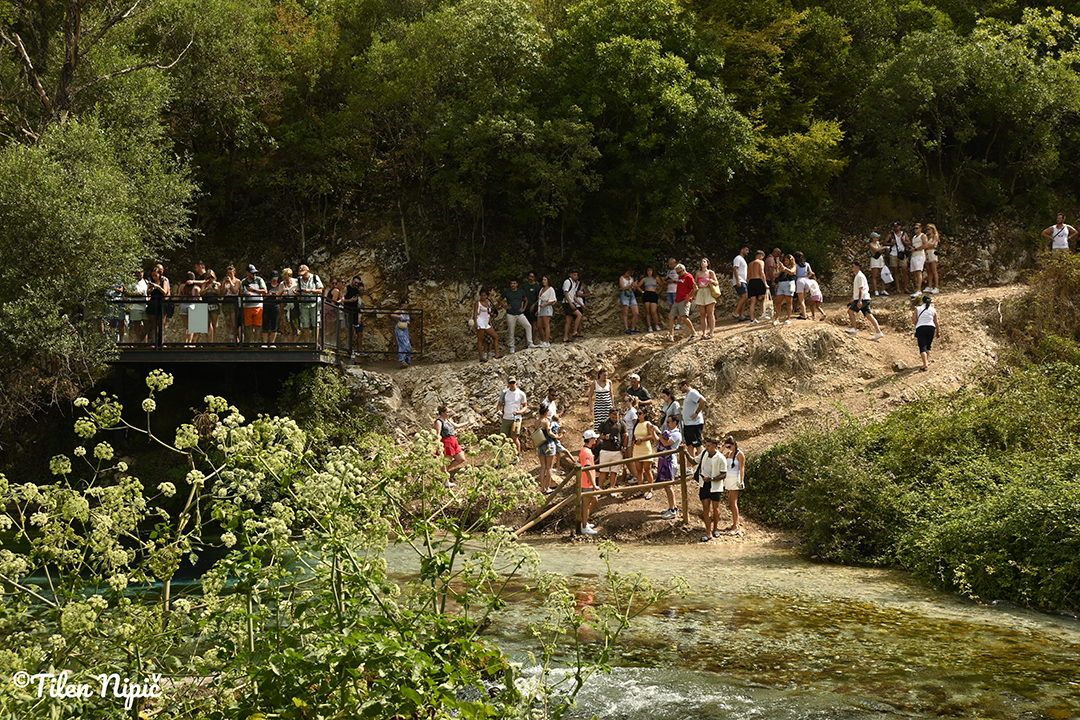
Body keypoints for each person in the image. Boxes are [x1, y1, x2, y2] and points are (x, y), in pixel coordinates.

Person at [845, 260, 883, 340]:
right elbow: (857, 290)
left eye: (853, 266)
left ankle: (854, 329)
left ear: (857, 267)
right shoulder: (858, 276)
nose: (852, 268)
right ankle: (878, 332)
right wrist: (852, 299)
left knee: (850, 311)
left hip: (863, 298)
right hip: (865, 298)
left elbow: (861, 289)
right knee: (868, 315)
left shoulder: (859, 276)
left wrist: (859, 300)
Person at [697, 437, 726, 542]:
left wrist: (712, 479)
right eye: (706, 445)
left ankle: (716, 528)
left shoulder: (721, 457)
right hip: (704, 484)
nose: (706, 447)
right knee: (705, 508)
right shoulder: (704, 453)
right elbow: (695, 460)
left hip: (716, 486)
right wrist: (685, 453)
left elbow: (724, 474)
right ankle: (708, 532)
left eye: (708, 446)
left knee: (716, 509)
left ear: (714, 446)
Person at [435, 405, 474, 478]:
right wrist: (439, 445)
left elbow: (457, 426)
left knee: (461, 458)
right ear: (442, 413)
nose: (449, 414)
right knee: (447, 461)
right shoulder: (438, 422)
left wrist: (468, 422)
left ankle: (445, 470)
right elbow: (438, 434)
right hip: (446, 442)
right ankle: (445, 480)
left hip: (453, 441)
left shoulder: (448, 420)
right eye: (447, 412)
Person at [655, 414, 682, 520]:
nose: (667, 424)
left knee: (669, 486)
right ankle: (672, 507)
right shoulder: (670, 433)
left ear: (675, 423)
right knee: (666, 486)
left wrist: (658, 433)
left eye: (669, 422)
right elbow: (659, 442)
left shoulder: (676, 434)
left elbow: (666, 443)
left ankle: (673, 510)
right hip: (665, 461)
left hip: (671, 462)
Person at [496, 377, 527, 463]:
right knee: (503, 437)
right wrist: (499, 411)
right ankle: (502, 457)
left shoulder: (521, 394)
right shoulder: (505, 393)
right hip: (506, 418)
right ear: (508, 384)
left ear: (516, 382)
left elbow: (525, 406)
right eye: (511, 383)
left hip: (515, 419)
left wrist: (520, 412)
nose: (512, 384)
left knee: (514, 437)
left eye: (514, 382)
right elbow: (499, 404)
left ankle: (517, 456)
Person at [630, 407, 659, 499]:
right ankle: (640, 489)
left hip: (645, 448)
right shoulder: (636, 424)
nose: (638, 415)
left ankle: (650, 490)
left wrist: (642, 440)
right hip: (637, 450)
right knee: (639, 470)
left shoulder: (648, 424)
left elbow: (651, 435)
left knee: (647, 469)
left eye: (640, 413)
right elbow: (633, 437)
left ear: (644, 414)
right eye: (637, 413)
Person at [596, 408, 626, 495]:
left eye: (616, 417)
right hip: (605, 450)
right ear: (609, 415)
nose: (615, 419)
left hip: (617, 450)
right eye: (613, 417)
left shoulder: (621, 423)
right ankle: (599, 489)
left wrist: (624, 446)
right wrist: (605, 437)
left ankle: (612, 488)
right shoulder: (604, 422)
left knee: (614, 471)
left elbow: (625, 434)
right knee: (603, 471)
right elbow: (597, 434)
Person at [502, 278, 535, 353]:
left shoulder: (521, 291)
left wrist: (524, 308)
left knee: (528, 325)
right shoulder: (507, 291)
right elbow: (500, 299)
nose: (512, 285)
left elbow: (526, 300)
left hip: (519, 313)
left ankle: (530, 342)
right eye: (511, 284)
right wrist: (505, 306)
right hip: (510, 313)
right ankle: (512, 346)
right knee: (511, 330)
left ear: (517, 284)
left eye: (514, 283)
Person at [721, 435, 745, 535]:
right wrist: (722, 448)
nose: (729, 449)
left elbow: (742, 468)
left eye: (730, 447)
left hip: (735, 478)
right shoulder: (729, 453)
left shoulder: (740, 454)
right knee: (730, 501)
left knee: (733, 502)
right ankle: (734, 523)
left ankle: (736, 525)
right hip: (728, 478)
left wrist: (741, 481)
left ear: (734, 444)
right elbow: (718, 457)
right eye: (727, 447)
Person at [667, 263, 697, 341]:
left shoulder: (689, 277)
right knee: (671, 317)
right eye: (677, 273)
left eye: (679, 272)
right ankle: (671, 336)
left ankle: (694, 333)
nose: (678, 274)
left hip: (684, 299)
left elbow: (695, 288)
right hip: (677, 299)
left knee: (683, 317)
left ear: (683, 270)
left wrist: (688, 298)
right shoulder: (680, 277)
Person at [579, 430, 600, 535]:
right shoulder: (586, 451)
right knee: (586, 505)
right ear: (590, 439)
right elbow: (587, 468)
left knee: (595, 500)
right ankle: (584, 526)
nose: (595, 440)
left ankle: (584, 521)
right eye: (594, 438)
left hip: (589, 481)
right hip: (587, 482)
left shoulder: (586, 450)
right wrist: (594, 484)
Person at [679, 379, 706, 463]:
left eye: (681, 387)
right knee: (690, 446)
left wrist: (697, 413)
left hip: (695, 423)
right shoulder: (688, 395)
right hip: (688, 424)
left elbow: (703, 400)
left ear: (685, 385)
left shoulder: (693, 393)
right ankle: (689, 466)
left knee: (698, 445)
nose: (680, 390)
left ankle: (703, 463)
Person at [297, 264, 323, 345]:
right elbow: (299, 291)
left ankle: (316, 343)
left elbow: (320, 291)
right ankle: (307, 344)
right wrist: (297, 293)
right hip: (304, 304)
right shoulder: (299, 280)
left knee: (316, 323)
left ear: (308, 271)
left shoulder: (315, 278)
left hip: (314, 303)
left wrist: (310, 290)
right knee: (305, 324)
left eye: (304, 273)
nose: (303, 275)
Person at [241, 264, 267, 344]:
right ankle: (251, 343)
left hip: (258, 306)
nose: (254, 274)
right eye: (252, 273)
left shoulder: (259, 280)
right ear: (247, 273)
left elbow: (265, 291)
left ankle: (256, 342)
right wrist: (246, 293)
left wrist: (254, 290)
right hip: (247, 306)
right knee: (249, 327)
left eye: (255, 273)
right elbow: (240, 293)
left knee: (258, 326)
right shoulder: (243, 281)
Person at [693, 258, 718, 339]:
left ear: (707, 263)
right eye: (701, 261)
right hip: (701, 292)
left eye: (704, 261)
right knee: (702, 314)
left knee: (710, 313)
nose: (702, 263)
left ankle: (711, 332)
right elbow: (695, 283)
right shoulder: (698, 274)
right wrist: (695, 285)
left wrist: (712, 281)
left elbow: (717, 282)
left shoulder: (711, 272)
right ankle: (704, 333)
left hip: (708, 292)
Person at [342, 275, 365, 359]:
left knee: (357, 333)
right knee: (352, 332)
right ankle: (349, 349)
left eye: (357, 283)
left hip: (355, 313)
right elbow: (342, 299)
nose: (356, 284)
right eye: (355, 282)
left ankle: (353, 349)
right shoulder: (347, 288)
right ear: (352, 281)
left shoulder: (356, 290)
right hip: (349, 312)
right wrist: (350, 301)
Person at [913, 295, 939, 371]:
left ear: (922, 301)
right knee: (928, 346)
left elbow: (913, 318)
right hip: (931, 327)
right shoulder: (933, 310)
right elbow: (936, 322)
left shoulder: (918, 309)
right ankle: (926, 361)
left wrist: (917, 324)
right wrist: (938, 331)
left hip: (921, 328)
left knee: (922, 346)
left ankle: (925, 364)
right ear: (930, 302)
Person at [474, 289, 500, 362]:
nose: (483, 297)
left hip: (486, 321)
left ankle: (497, 354)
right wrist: (475, 322)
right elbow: (475, 313)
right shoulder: (478, 303)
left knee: (496, 336)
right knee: (480, 339)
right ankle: (481, 357)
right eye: (482, 295)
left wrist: (490, 322)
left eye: (484, 295)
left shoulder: (488, 303)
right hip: (480, 321)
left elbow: (488, 313)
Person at [535, 412, 558, 494]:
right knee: (549, 468)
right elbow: (549, 432)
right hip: (549, 445)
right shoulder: (546, 421)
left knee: (543, 467)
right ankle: (547, 488)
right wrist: (557, 437)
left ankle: (542, 488)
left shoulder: (536, 422)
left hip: (540, 445)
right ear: (546, 413)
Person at [886, 221, 911, 294]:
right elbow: (885, 242)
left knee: (904, 271)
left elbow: (909, 242)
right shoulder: (891, 234)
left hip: (902, 253)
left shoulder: (904, 234)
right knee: (895, 271)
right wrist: (891, 243)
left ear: (900, 226)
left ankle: (906, 288)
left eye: (896, 226)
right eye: (894, 226)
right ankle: (898, 289)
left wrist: (904, 242)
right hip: (893, 254)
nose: (895, 228)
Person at [587, 368, 614, 432]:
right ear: (600, 375)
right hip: (599, 406)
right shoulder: (595, 383)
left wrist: (613, 405)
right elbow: (590, 396)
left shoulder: (609, 382)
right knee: (599, 423)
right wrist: (591, 407)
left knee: (609, 422)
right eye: (604, 375)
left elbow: (612, 395)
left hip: (608, 406)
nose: (606, 377)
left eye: (607, 375)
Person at [773, 254, 796, 325]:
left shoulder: (794, 267)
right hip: (781, 285)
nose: (785, 261)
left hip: (789, 285)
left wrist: (784, 268)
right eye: (785, 260)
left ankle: (788, 318)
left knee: (789, 302)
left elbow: (792, 272)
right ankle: (777, 318)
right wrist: (779, 269)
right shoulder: (782, 267)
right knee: (778, 303)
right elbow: (776, 275)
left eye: (787, 260)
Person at [126, 269, 149, 343]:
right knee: (136, 325)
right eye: (138, 273)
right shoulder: (131, 282)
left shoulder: (146, 282)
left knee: (147, 325)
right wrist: (137, 294)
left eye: (141, 273)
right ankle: (139, 342)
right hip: (135, 306)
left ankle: (140, 340)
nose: (139, 275)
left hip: (145, 305)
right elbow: (126, 292)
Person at [221, 264, 242, 343]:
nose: (229, 275)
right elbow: (222, 293)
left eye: (231, 273)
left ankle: (235, 339)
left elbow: (235, 291)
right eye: (228, 273)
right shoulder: (225, 282)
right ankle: (230, 338)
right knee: (228, 321)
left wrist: (230, 281)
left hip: (234, 301)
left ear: (234, 273)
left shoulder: (237, 281)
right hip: (226, 301)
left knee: (233, 322)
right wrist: (223, 284)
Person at [745, 250, 768, 323]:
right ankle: (763, 313)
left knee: (753, 301)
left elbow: (748, 276)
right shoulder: (761, 262)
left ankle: (752, 319)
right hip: (758, 280)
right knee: (765, 297)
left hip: (751, 281)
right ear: (761, 256)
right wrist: (765, 283)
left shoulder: (750, 264)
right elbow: (762, 272)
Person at [561, 269, 583, 342]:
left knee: (569, 320)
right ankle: (575, 331)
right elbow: (566, 292)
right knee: (579, 315)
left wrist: (580, 304)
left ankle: (565, 337)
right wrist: (570, 302)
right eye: (574, 275)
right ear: (571, 274)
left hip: (570, 301)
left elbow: (574, 295)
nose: (576, 276)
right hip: (567, 302)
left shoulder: (573, 283)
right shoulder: (568, 282)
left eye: (577, 275)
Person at [618, 265, 641, 334]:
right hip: (625, 294)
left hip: (631, 294)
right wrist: (631, 286)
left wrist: (635, 286)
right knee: (626, 312)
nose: (629, 274)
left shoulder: (631, 278)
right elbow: (623, 288)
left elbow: (633, 289)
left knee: (636, 312)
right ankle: (626, 328)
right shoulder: (621, 278)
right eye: (628, 272)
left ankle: (633, 328)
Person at [279, 267, 299, 342]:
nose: (286, 279)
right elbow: (278, 297)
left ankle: (295, 343)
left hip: (294, 303)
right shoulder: (282, 283)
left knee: (295, 323)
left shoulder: (296, 282)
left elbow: (300, 293)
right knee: (286, 323)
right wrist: (282, 292)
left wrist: (296, 293)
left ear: (290, 276)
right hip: (285, 304)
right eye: (284, 277)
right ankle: (287, 344)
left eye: (287, 277)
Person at [390, 300, 412, 367]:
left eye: (407, 304)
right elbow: (392, 314)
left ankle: (406, 360)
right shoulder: (400, 311)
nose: (405, 305)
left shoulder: (407, 312)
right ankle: (402, 359)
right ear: (402, 304)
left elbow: (408, 320)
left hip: (405, 329)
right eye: (404, 304)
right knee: (404, 344)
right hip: (399, 329)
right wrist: (399, 316)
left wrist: (408, 322)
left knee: (407, 344)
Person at [536, 276, 557, 347]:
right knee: (539, 325)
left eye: (545, 280)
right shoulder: (542, 289)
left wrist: (545, 304)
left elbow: (553, 300)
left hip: (546, 306)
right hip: (540, 307)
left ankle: (547, 341)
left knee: (546, 324)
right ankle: (543, 339)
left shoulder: (551, 289)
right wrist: (538, 309)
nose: (543, 281)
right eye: (543, 280)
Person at [263, 270, 282, 346]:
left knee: (274, 324)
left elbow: (281, 298)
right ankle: (264, 342)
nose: (274, 280)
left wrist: (276, 295)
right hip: (266, 305)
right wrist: (268, 294)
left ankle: (272, 343)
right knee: (265, 324)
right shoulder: (266, 285)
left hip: (276, 306)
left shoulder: (280, 286)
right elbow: (262, 297)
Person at [908, 222, 927, 297]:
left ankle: (919, 290)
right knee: (915, 273)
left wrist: (915, 249)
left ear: (921, 229)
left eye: (917, 228)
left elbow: (925, 245)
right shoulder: (914, 237)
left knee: (919, 272)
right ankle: (917, 289)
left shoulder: (923, 236)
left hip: (919, 255)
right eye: (914, 228)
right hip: (914, 255)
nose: (915, 229)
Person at [641, 266, 661, 332]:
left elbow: (661, 284)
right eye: (648, 271)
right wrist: (642, 291)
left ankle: (657, 325)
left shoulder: (656, 278)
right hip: (646, 294)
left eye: (650, 270)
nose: (649, 272)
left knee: (653, 311)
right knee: (648, 311)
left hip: (653, 294)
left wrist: (659, 291)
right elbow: (638, 285)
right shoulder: (644, 279)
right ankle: (649, 326)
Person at [732, 245, 749, 322]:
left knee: (744, 297)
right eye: (746, 250)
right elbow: (735, 269)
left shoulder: (742, 259)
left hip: (743, 280)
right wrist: (738, 280)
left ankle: (742, 315)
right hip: (740, 280)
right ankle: (736, 313)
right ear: (742, 250)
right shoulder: (738, 258)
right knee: (744, 297)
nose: (747, 252)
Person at [793, 251, 812, 319]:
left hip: (800, 280)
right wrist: (807, 277)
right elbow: (811, 273)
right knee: (802, 298)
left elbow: (793, 273)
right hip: (807, 280)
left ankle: (804, 315)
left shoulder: (795, 265)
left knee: (801, 300)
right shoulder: (807, 264)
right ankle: (804, 312)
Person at [523, 271, 542, 339]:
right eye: (530, 276)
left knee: (534, 324)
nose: (531, 278)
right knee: (526, 325)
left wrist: (534, 305)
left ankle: (532, 340)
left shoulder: (537, 287)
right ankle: (526, 342)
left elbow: (539, 297)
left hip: (533, 308)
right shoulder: (525, 285)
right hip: (526, 307)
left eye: (532, 277)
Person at [868, 232, 888, 296]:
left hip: (880, 259)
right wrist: (884, 247)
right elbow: (876, 250)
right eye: (876, 237)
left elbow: (878, 251)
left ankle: (883, 289)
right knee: (875, 276)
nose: (878, 238)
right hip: (874, 260)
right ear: (873, 238)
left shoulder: (878, 243)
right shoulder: (871, 244)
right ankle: (876, 290)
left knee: (883, 274)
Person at [924, 224, 941, 294]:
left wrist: (925, 243)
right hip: (927, 252)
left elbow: (933, 243)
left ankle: (936, 287)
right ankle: (930, 286)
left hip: (932, 252)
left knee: (934, 270)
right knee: (928, 270)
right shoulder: (927, 236)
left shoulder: (935, 236)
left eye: (929, 229)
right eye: (927, 229)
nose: (928, 231)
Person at [665, 258, 682, 330]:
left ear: (675, 263)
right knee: (671, 308)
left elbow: (681, 281)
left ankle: (679, 323)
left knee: (678, 307)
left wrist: (674, 281)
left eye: (671, 264)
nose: (670, 265)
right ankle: (673, 324)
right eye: (669, 264)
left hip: (676, 291)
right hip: (669, 291)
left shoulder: (679, 270)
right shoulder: (669, 271)